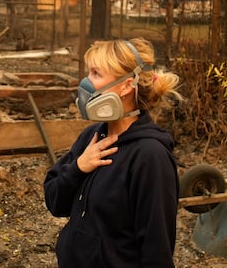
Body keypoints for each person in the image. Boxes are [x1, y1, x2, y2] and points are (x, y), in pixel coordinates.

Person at [43, 37, 183, 268]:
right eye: (89, 72)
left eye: (96, 74)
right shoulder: (92, 136)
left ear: (127, 85)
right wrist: (78, 168)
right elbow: (54, 202)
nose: (86, 82)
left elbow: (157, 250)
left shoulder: (150, 156)